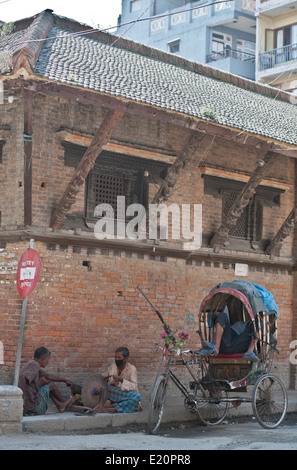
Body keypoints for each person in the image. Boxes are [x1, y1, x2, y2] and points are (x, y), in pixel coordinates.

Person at [18, 347, 76, 416]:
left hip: (31, 406)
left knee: (44, 380)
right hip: (34, 407)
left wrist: (64, 380)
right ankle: (62, 404)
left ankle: (61, 405)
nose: (48, 361)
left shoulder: (31, 363)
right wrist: (24, 398)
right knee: (50, 384)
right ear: (43, 357)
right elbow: (22, 377)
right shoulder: (35, 365)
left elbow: (47, 376)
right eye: (48, 358)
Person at [94, 347, 142, 413]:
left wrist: (122, 380)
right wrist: (105, 380)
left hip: (125, 394)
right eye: (115, 357)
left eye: (119, 358)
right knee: (104, 389)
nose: (117, 359)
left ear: (126, 358)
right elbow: (103, 377)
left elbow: (134, 386)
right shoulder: (112, 367)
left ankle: (113, 407)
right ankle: (118, 407)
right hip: (113, 393)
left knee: (138, 396)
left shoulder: (132, 369)